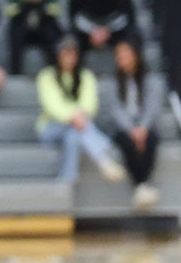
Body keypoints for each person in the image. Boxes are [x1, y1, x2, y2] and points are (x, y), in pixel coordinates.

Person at [36, 37, 125, 185]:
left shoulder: (86, 76)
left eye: (72, 54)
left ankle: (68, 179)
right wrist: (74, 117)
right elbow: (52, 106)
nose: (69, 59)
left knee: (73, 136)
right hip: (51, 127)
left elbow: (90, 104)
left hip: (77, 127)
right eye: (65, 54)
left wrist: (77, 118)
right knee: (77, 128)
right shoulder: (47, 76)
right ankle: (103, 157)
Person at [104, 39, 166, 208]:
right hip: (124, 128)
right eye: (119, 55)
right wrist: (132, 130)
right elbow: (116, 111)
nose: (123, 59)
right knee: (127, 142)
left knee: (151, 140)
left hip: (145, 126)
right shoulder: (114, 82)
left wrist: (143, 128)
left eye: (126, 54)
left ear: (135, 56)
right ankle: (143, 185)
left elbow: (152, 107)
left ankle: (141, 186)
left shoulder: (150, 80)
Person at [3, 0, 63, 77]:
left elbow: (54, 13)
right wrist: (26, 0)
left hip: (44, 25)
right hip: (22, 26)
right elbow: (11, 14)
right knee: (15, 35)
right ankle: (16, 74)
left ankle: (55, 73)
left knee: (51, 34)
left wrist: (39, 0)